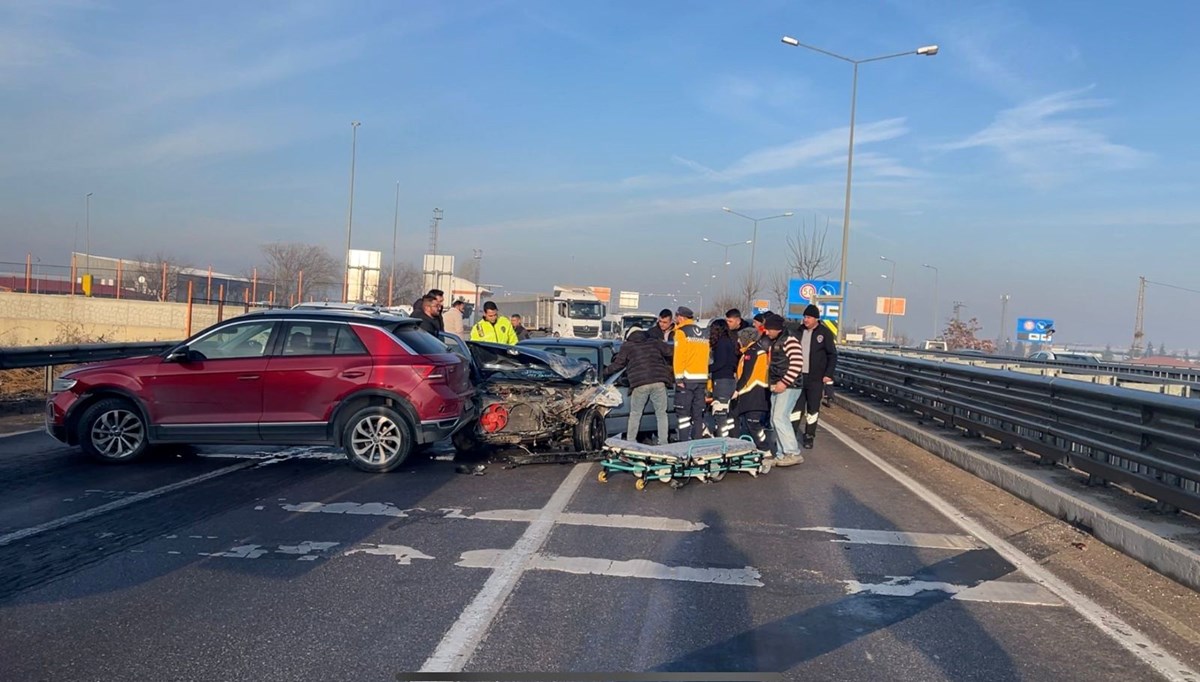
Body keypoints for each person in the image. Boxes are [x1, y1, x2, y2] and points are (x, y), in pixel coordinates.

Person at [603, 330, 671, 445]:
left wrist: (604, 372)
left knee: (635, 414)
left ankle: (631, 442)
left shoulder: (627, 346)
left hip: (640, 383)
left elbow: (618, 364)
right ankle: (663, 442)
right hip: (659, 381)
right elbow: (670, 351)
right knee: (661, 414)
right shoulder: (655, 343)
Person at [763, 312, 805, 467]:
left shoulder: (790, 341)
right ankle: (782, 454)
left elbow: (797, 363)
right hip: (778, 385)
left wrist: (784, 382)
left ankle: (792, 453)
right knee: (776, 420)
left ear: (776, 329)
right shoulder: (776, 342)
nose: (766, 332)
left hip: (789, 386)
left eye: (768, 329)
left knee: (780, 418)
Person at [795, 304, 838, 449]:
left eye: (808, 317)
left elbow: (832, 355)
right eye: (804, 317)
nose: (805, 320)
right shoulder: (798, 331)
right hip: (798, 376)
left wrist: (828, 374)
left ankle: (809, 435)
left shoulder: (824, 333)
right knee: (796, 408)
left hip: (816, 378)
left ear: (816, 319)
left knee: (812, 409)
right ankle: (791, 433)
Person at [671, 306, 709, 441]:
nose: (675, 320)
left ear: (681, 317)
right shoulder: (703, 333)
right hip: (701, 378)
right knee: (698, 415)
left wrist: (678, 377)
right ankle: (697, 442)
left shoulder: (682, 332)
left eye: (676, 317)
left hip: (687, 379)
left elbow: (680, 356)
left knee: (683, 414)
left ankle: (683, 442)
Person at [733, 326, 771, 449]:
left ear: (745, 339)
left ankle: (764, 448)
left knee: (753, 423)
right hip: (758, 391)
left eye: (740, 339)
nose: (738, 342)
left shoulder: (751, 352)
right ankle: (748, 446)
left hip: (753, 392)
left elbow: (746, 374)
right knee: (746, 422)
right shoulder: (758, 350)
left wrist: (737, 390)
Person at [708, 319, 738, 437]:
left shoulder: (720, 344)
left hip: (721, 382)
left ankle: (722, 442)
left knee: (720, 414)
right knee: (728, 414)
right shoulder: (731, 342)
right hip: (730, 381)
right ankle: (731, 439)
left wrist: (706, 369)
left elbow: (720, 363)